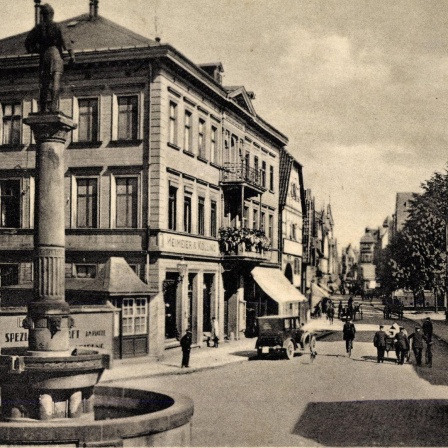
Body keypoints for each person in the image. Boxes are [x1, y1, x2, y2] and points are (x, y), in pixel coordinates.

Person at [25, 4, 75, 112]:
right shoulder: (58, 26)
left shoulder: (38, 28)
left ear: (42, 15)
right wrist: (72, 56)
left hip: (44, 56)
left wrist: (36, 50)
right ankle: (53, 106)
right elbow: (66, 41)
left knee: (44, 82)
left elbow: (28, 43)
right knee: (56, 80)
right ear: (52, 14)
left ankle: (42, 108)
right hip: (56, 54)